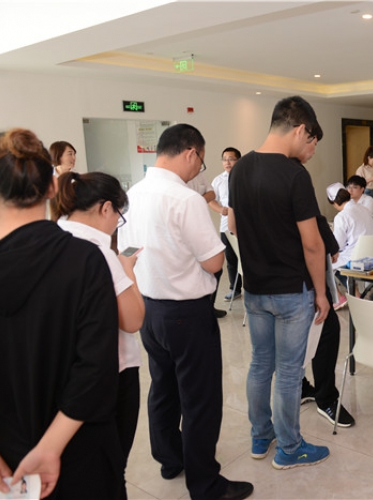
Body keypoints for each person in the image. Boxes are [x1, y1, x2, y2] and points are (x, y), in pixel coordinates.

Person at [0, 128, 123, 498]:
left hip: (6, 454)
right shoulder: (85, 260)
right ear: (53, 186)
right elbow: (96, 368)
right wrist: (51, 448)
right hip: (81, 446)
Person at [118, 124, 253, 500]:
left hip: (149, 310)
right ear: (191, 153)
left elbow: (127, 253)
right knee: (200, 399)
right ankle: (205, 484)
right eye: (201, 161)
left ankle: (169, 458)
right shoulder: (185, 199)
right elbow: (214, 262)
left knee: (163, 389)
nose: (199, 170)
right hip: (187, 314)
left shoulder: (132, 194)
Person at [227, 95, 330, 470]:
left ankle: (261, 436)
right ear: (300, 129)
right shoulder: (294, 175)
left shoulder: (239, 169)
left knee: (260, 364)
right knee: (288, 371)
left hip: (255, 289)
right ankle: (289, 446)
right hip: (290, 291)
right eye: (311, 139)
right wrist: (321, 293)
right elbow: (313, 244)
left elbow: (233, 226)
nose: (310, 148)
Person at [52, 171, 145, 500]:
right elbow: (132, 320)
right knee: (111, 468)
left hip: (66, 373)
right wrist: (128, 270)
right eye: (118, 215)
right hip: (111, 373)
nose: (117, 223)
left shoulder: (52, 237)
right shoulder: (98, 252)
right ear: (106, 208)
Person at [295, 138, 355, 428]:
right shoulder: (296, 183)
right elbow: (326, 249)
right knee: (326, 333)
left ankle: (299, 389)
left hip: (268, 286)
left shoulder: (245, 177)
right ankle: (325, 398)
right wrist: (322, 293)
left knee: (285, 346)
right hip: (304, 283)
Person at [185, 162, 227, 318]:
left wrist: (197, 200)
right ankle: (199, 309)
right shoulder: (177, 179)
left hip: (199, 225)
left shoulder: (199, 173)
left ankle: (209, 307)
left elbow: (211, 194)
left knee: (216, 270)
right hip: (187, 231)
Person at [208, 147, 244, 301]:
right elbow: (211, 199)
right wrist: (220, 209)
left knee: (248, 257)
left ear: (239, 160)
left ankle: (253, 288)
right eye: (224, 159)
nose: (227, 162)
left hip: (245, 225)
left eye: (231, 159)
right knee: (231, 259)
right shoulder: (218, 180)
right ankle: (234, 289)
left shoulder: (246, 177)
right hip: (226, 226)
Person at [327, 182, 373, 276]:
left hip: (353, 259)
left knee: (322, 263)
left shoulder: (342, 216)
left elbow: (338, 246)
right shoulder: (365, 209)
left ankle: (341, 286)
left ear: (334, 202)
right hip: (371, 256)